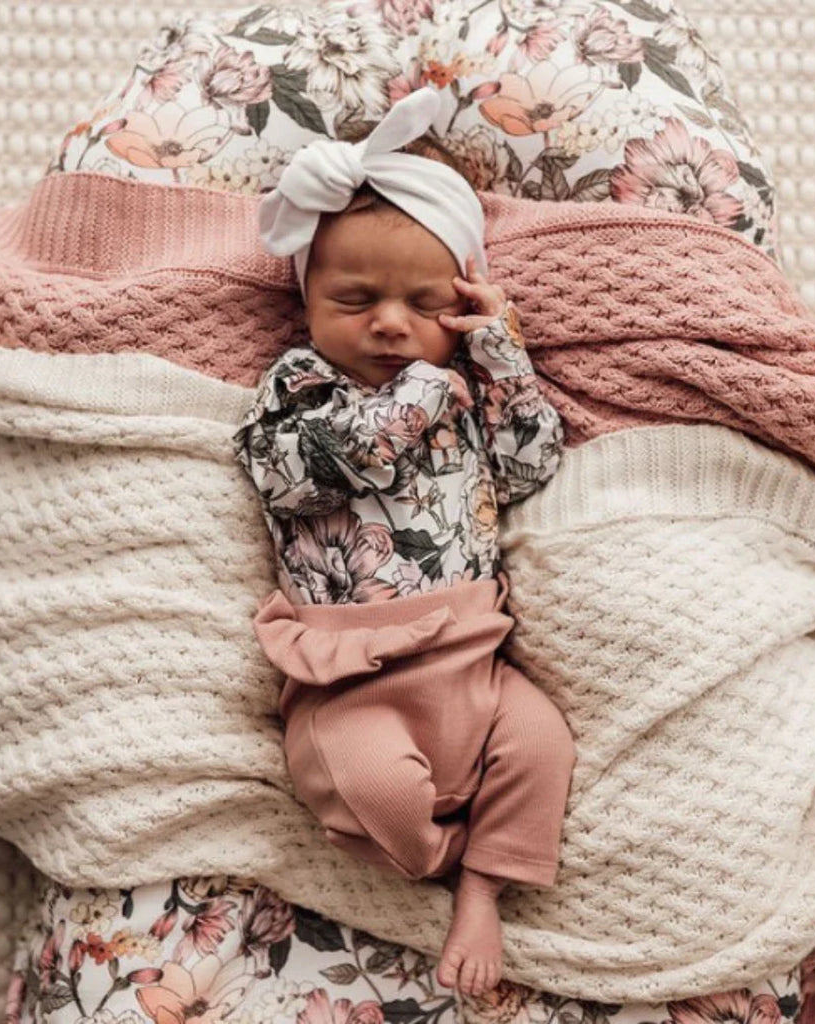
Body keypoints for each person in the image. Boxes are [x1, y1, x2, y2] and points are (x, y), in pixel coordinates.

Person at [234, 87, 576, 998]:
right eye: (355, 298)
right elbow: (305, 473)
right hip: (354, 677)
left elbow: (532, 463)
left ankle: (484, 887)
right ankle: (438, 860)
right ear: (306, 294)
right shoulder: (299, 389)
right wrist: (424, 390)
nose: (390, 322)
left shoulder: (467, 387)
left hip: (474, 661)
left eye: (424, 302)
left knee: (542, 746)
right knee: (363, 784)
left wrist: (498, 351)